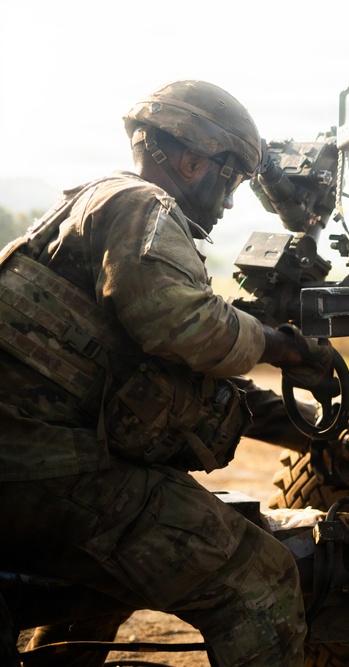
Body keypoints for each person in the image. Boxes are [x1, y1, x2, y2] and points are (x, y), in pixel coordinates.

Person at [0, 80, 327, 666]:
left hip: (34, 459)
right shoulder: (142, 206)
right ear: (192, 160)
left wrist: (315, 426)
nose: (228, 204)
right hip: (50, 469)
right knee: (260, 578)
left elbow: (173, 384)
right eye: (230, 180)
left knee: (112, 579)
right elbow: (182, 326)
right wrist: (282, 347)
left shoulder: (99, 205)